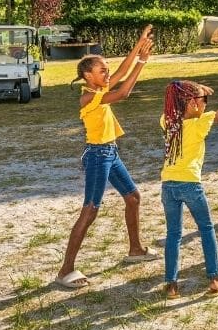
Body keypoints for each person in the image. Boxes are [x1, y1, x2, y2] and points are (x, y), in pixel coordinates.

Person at [55, 25, 157, 289]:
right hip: (98, 156)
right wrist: (143, 62)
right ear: (88, 75)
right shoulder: (89, 96)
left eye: (106, 69)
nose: (107, 72)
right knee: (90, 211)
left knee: (133, 198)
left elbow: (121, 72)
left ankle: (135, 249)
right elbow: (123, 92)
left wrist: (138, 44)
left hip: (110, 152)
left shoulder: (98, 89)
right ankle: (65, 270)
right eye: (102, 70)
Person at [160, 79, 218, 298]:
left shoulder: (167, 121)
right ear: (192, 103)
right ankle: (215, 279)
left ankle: (171, 285)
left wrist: (197, 90)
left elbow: (176, 100)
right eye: (204, 100)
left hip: (167, 184)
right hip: (190, 183)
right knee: (207, 229)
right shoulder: (200, 124)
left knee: (173, 234)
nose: (206, 104)